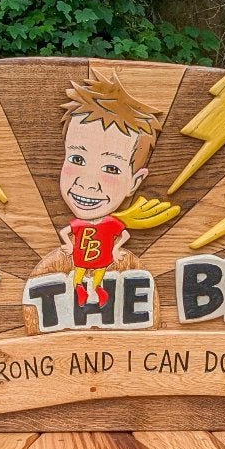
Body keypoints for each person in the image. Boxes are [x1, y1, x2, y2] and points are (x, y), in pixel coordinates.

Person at [57, 75, 180, 305]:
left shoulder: (109, 225)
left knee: (91, 278)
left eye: (111, 168)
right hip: (88, 261)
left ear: (135, 182)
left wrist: (114, 251)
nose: (88, 183)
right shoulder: (82, 225)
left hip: (100, 260)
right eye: (76, 158)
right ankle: (87, 290)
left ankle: (95, 290)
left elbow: (123, 234)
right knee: (81, 277)